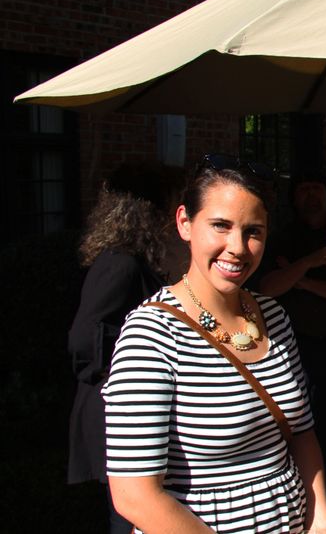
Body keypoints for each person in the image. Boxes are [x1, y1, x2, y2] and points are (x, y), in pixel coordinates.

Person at [102, 156, 326, 533]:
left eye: (253, 231)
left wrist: (321, 521)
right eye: (220, 226)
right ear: (185, 223)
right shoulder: (153, 334)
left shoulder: (273, 317)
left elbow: (302, 433)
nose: (237, 247)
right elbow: (134, 494)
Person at [67, 162, 183, 534]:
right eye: (171, 205)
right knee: (131, 518)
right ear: (149, 211)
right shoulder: (120, 264)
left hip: (127, 414)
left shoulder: (132, 261)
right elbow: (83, 339)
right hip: (116, 416)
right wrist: (129, 370)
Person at [259, 170, 326, 533]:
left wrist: (300, 280)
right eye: (304, 189)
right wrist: (310, 263)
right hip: (295, 352)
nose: (311, 196)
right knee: (302, 435)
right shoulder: (281, 239)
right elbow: (267, 287)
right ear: (294, 198)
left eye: (316, 189)